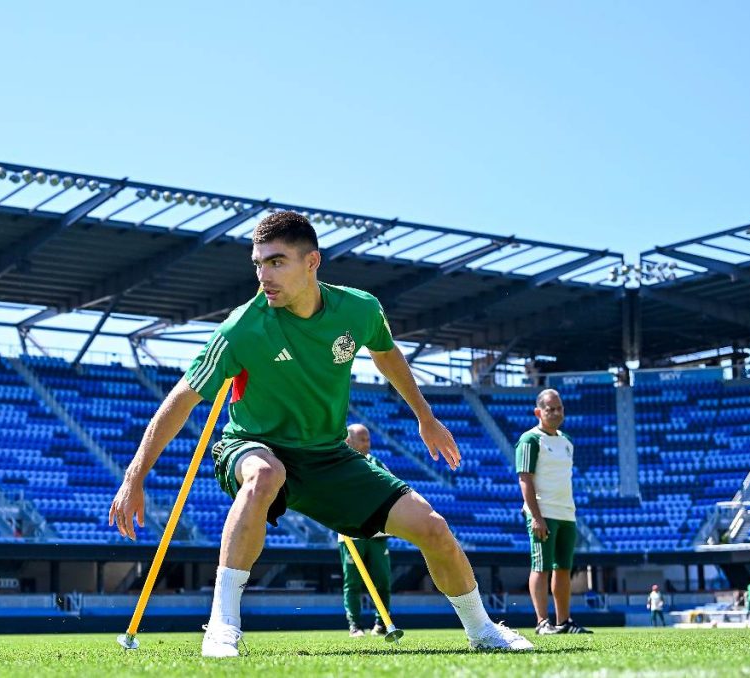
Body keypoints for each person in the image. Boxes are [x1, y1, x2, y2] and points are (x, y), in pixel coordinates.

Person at [110, 211, 533, 657]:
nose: (263, 275)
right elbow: (178, 401)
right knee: (264, 476)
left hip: (328, 456)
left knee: (433, 528)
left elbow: (387, 354)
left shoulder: (360, 309)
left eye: (276, 262)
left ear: (312, 261)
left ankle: (483, 630)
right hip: (252, 445)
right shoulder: (242, 328)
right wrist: (134, 478)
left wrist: (425, 417)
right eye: (257, 264)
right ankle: (222, 625)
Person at [516, 388, 592, 635]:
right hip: (543, 512)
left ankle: (564, 621)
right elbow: (524, 478)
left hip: (566, 513)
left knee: (563, 568)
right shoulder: (529, 440)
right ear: (539, 412)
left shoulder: (567, 440)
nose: (557, 412)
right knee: (541, 566)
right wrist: (535, 516)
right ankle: (542, 623)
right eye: (550, 409)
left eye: (559, 408)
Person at [338, 423, 393, 638]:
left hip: (377, 534)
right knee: (352, 582)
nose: (367, 443)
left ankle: (381, 623)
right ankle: (355, 626)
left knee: (383, 581)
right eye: (362, 438)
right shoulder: (338, 464)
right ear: (348, 441)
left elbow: (392, 488)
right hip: (350, 534)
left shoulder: (376, 463)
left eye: (368, 438)